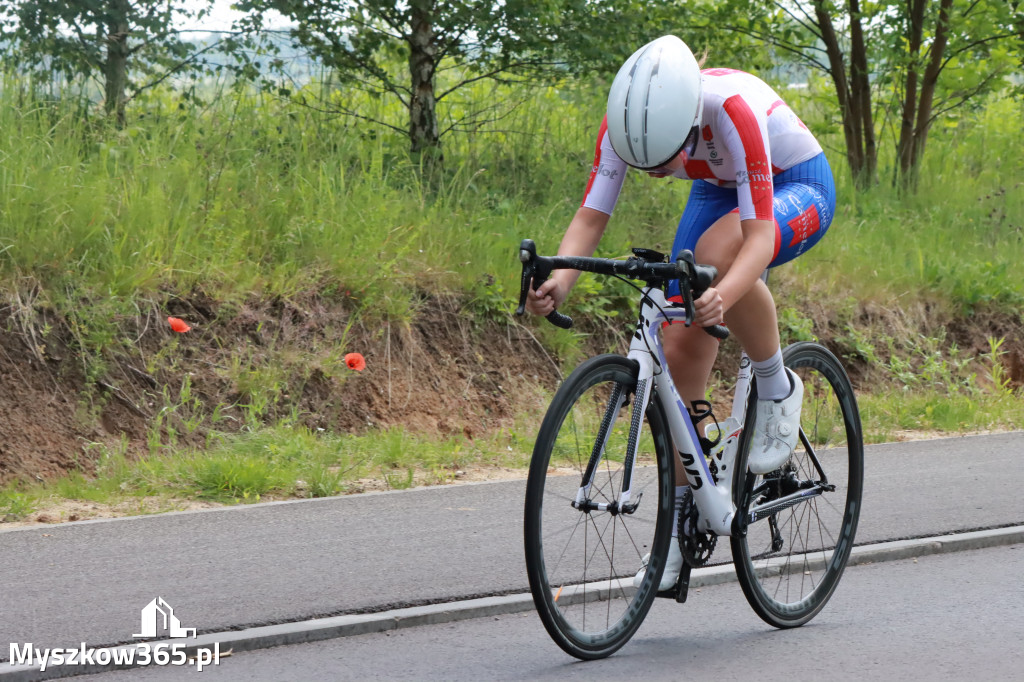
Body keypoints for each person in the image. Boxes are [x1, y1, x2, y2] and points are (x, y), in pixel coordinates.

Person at [524, 35, 836, 592]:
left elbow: (758, 239)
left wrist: (726, 291)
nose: (648, 172)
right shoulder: (624, 122)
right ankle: (684, 512)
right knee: (676, 340)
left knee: (715, 264)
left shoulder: (731, 112)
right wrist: (560, 281)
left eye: (660, 161)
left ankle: (777, 383)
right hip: (719, 191)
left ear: (690, 124)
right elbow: (593, 215)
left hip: (795, 185)